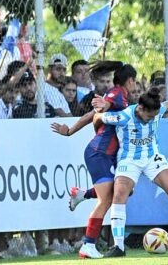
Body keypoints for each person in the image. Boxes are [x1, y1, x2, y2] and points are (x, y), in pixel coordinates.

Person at [92, 86, 168, 257]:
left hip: (152, 157)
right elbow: (97, 117)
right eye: (149, 116)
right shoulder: (123, 116)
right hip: (129, 159)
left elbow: (167, 104)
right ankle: (119, 247)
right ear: (140, 108)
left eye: (154, 116)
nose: (150, 119)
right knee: (119, 195)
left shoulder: (157, 110)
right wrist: (98, 128)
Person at [51, 61, 137, 259]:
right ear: (130, 81)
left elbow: (92, 115)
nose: (136, 85)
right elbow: (97, 111)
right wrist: (102, 106)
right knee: (106, 199)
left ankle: (81, 194)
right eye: (134, 81)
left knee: (125, 189)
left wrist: (71, 130)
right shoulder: (115, 94)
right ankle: (88, 245)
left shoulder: (122, 97)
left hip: (110, 155)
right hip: (99, 152)